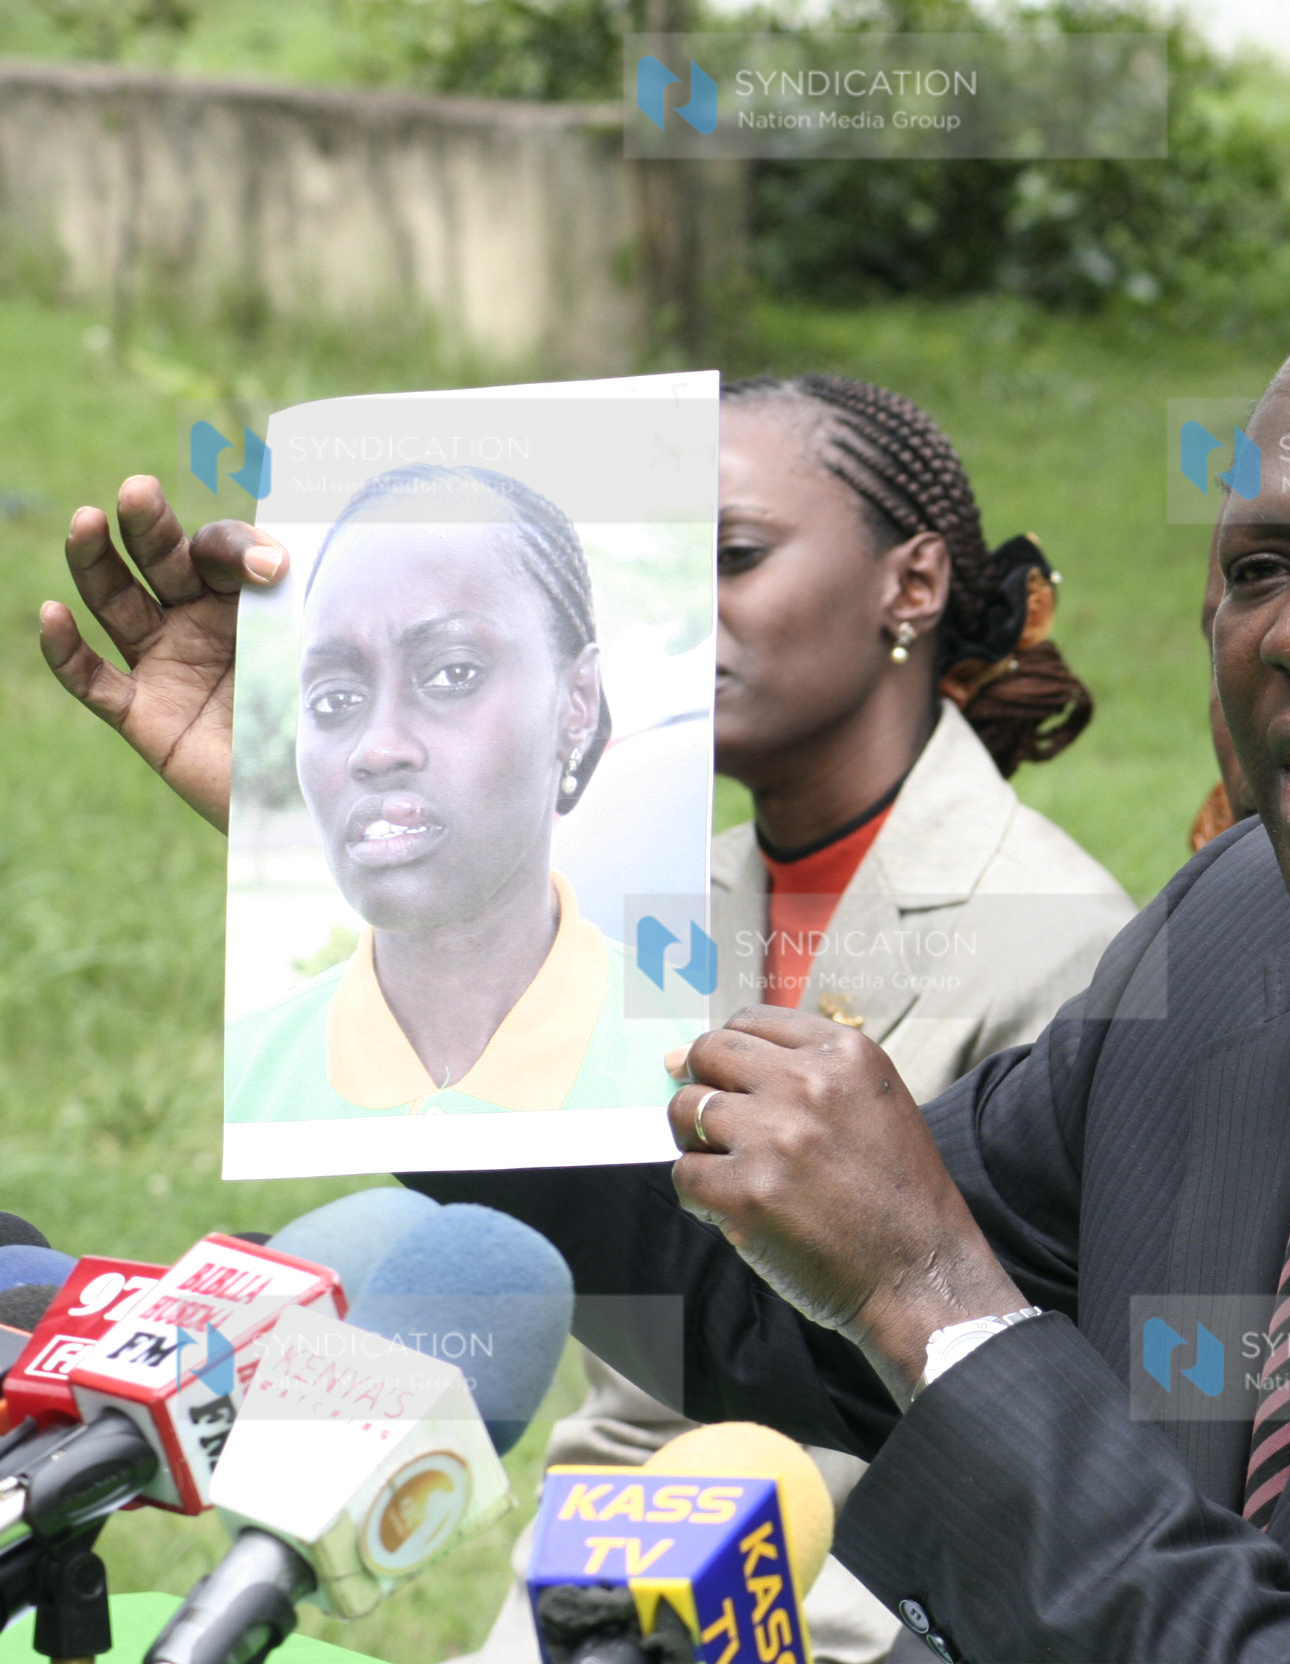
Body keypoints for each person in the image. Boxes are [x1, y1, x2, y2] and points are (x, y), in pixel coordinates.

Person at [51, 238, 1290, 1660]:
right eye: (1263, 565)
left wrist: (945, 1298)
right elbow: (768, 1315)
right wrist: (400, 868)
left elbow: (923, 1320)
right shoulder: (1252, 946)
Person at [39, 374, 1133, 1664]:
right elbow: (644, 1387)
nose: (690, 603)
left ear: (913, 582)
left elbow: (1012, 1446)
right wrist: (324, 820)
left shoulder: (1064, 936)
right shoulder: (667, 899)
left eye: (730, 554)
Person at [219, 464, 700, 1121]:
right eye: (335, 698)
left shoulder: (692, 1068)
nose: (378, 748)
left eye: (452, 673)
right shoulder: (247, 1078)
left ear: (577, 701)